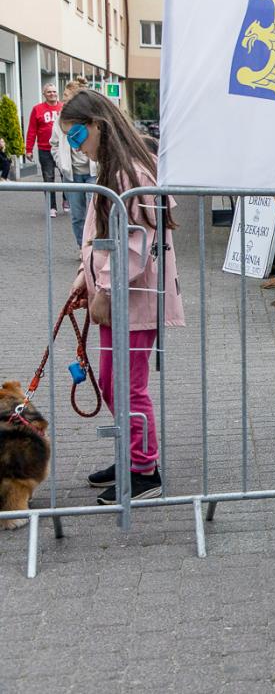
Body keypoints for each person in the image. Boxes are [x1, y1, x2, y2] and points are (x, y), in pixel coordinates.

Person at [62, 89, 184, 503]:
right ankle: (134, 456)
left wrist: (104, 288)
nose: (75, 146)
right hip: (117, 298)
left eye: (77, 136)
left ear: (99, 126)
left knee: (126, 386)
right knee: (114, 383)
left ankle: (145, 470)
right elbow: (100, 237)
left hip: (133, 299)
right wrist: (85, 278)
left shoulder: (132, 174)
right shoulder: (115, 171)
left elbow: (134, 244)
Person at [51, 77, 98, 250]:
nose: (63, 99)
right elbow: (54, 143)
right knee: (77, 215)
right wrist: (61, 163)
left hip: (93, 173)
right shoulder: (60, 119)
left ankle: (94, 247)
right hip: (72, 174)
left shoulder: (90, 118)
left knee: (94, 213)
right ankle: (82, 248)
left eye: (66, 95)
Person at [25, 83, 63, 217]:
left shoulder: (64, 108)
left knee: (66, 175)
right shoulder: (37, 109)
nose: (52, 94)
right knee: (48, 178)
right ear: (44, 94)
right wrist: (29, 149)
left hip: (61, 149)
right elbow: (32, 130)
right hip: (45, 149)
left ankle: (67, 200)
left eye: (54, 91)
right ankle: (52, 207)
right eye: (49, 92)